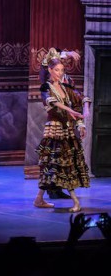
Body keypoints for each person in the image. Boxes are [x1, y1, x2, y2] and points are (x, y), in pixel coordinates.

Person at [34, 57, 89, 212]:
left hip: (67, 130)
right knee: (60, 165)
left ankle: (39, 199)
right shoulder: (46, 87)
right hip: (54, 131)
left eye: (62, 70)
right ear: (50, 70)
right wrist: (69, 110)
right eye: (56, 70)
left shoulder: (65, 87)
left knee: (55, 165)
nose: (59, 73)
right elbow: (52, 102)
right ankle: (76, 202)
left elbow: (82, 99)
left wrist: (82, 120)